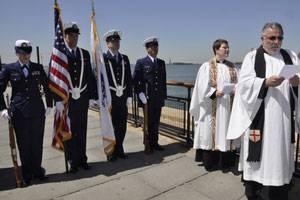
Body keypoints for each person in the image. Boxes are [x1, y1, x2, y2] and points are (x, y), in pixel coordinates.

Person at [227, 22, 299, 200]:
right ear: (262, 38)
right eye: (271, 38)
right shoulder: (252, 57)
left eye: (279, 38)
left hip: (283, 119)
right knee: (260, 158)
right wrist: (265, 82)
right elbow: (243, 86)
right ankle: (256, 191)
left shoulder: (290, 56)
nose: (276, 42)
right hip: (260, 117)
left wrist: (296, 84)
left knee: (279, 155)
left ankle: (279, 189)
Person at [0, 40, 52, 186]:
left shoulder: (38, 67)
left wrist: (49, 105)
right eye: (22, 53)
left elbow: (47, 87)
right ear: (17, 53)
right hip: (19, 113)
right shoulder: (9, 69)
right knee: (24, 145)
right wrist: (3, 108)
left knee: (37, 143)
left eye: (27, 52)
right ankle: (27, 173)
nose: (25, 56)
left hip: (37, 112)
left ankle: (38, 171)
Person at [54, 22, 98, 173]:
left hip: (82, 99)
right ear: (65, 36)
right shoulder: (59, 55)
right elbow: (53, 78)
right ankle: (72, 160)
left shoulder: (84, 54)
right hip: (67, 100)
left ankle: (82, 159)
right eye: (71, 36)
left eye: (76, 36)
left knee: (82, 130)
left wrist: (93, 96)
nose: (74, 38)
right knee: (69, 131)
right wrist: (57, 100)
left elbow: (90, 77)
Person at [190, 39, 238, 172]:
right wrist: (215, 93)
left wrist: (236, 89)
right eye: (224, 48)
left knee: (226, 133)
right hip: (212, 108)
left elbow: (239, 84)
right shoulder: (207, 66)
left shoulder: (233, 67)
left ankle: (226, 163)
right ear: (216, 50)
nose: (227, 50)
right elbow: (201, 88)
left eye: (228, 48)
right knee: (211, 135)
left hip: (228, 108)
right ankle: (210, 163)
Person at [133, 37, 167, 153]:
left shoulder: (161, 63)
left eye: (156, 46)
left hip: (158, 98)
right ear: (147, 49)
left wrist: (163, 96)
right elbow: (135, 80)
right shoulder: (141, 62)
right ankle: (147, 144)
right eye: (153, 47)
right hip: (147, 98)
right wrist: (140, 93)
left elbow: (163, 81)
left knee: (156, 122)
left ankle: (155, 142)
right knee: (148, 122)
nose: (155, 49)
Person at [103, 30, 133, 161]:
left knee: (122, 125)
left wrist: (129, 96)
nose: (117, 43)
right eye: (114, 41)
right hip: (110, 98)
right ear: (108, 43)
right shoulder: (102, 58)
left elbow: (128, 79)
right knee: (111, 126)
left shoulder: (124, 58)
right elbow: (99, 79)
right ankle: (111, 151)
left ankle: (119, 148)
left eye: (118, 40)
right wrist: (101, 97)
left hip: (122, 97)